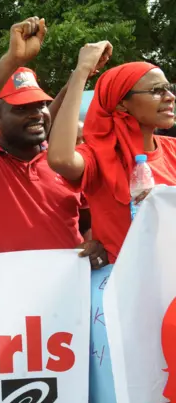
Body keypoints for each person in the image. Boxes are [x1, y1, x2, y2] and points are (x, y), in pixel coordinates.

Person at [0, 17, 107, 268]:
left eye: (40, 104)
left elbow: (86, 223)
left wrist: (93, 245)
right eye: (22, 108)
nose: (37, 113)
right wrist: (12, 59)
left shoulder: (64, 161)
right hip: (6, 299)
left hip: (68, 296)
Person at [47, 41, 176, 264]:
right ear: (121, 104)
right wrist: (81, 72)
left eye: (168, 88)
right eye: (156, 91)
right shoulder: (98, 156)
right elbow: (60, 158)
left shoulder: (172, 149)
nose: (170, 96)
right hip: (129, 288)